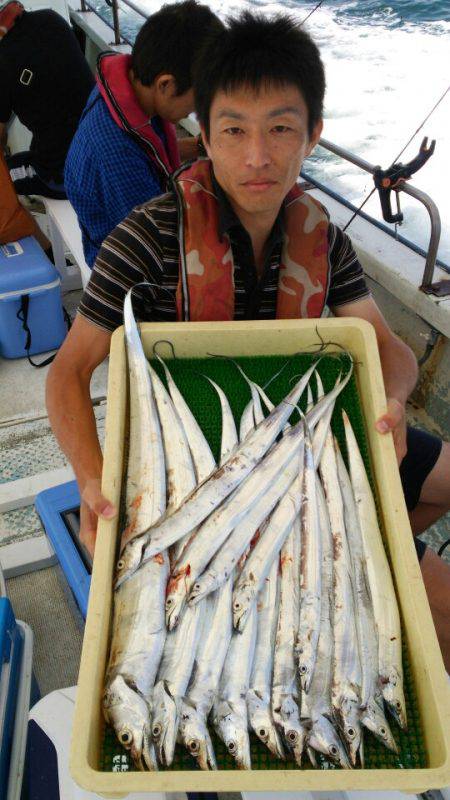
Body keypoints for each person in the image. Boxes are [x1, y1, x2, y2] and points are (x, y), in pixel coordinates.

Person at [46, 11, 450, 669]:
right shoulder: (145, 241)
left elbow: (386, 345)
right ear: (202, 133)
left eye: (280, 129)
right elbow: (68, 373)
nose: (257, 157)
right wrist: (93, 484)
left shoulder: (324, 236)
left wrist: (397, 395)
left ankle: (343, 567)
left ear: (312, 135)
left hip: (311, 437)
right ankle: (328, 571)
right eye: (233, 130)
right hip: (201, 469)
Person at [64, 0, 224, 269]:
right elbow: (159, 240)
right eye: (198, 100)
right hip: (129, 269)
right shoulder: (116, 154)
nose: (198, 110)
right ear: (166, 85)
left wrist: (200, 146)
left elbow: (150, 151)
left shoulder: (126, 95)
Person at [0, 1, 94, 199]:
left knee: (4, 179)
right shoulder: (51, 19)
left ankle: (32, 228)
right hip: (101, 145)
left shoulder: (3, 62)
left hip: (67, 175)